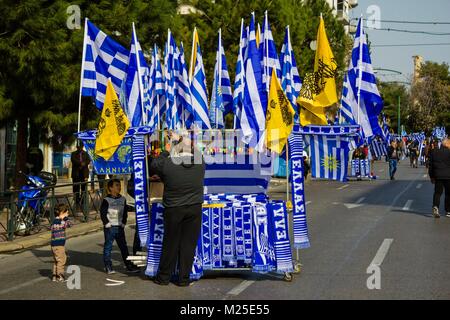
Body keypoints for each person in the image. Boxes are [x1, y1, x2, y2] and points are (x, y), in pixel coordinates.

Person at [150, 131, 205, 286]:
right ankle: (184, 279)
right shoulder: (200, 161)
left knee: (170, 243)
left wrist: (168, 148)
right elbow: (195, 151)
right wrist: (183, 140)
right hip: (194, 208)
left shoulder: (168, 164)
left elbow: (154, 165)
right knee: (188, 244)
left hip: (173, 208)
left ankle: (163, 277)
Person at [100, 179, 139, 274]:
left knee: (123, 247)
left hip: (119, 227)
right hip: (110, 228)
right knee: (108, 247)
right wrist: (106, 223)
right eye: (116, 185)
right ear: (110, 188)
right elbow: (103, 213)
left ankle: (128, 266)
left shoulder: (123, 199)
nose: (119, 187)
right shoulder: (106, 200)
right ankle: (108, 266)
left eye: (119, 185)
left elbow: (125, 213)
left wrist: (123, 222)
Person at [428, 138, 450, 218]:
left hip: (438, 176)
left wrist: (432, 177)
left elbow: (431, 166)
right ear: (447, 144)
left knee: (437, 193)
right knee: (448, 194)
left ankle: (436, 207)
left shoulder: (434, 152)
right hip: (448, 176)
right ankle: (448, 211)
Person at [51, 204, 71, 282]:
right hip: (59, 245)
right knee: (62, 260)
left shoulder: (54, 221)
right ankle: (60, 276)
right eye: (67, 213)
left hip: (53, 244)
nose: (68, 214)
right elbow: (69, 224)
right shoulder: (61, 222)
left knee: (57, 260)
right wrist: (65, 218)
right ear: (62, 213)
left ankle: (54, 276)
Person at [71, 143, 91, 209]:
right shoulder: (73, 153)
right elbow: (73, 160)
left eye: (81, 147)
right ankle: (76, 200)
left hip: (84, 173)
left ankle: (83, 201)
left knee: (84, 188)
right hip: (76, 173)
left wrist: (84, 164)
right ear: (77, 147)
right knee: (76, 188)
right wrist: (80, 163)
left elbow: (88, 160)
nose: (80, 148)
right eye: (79, 147)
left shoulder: (86, 153)